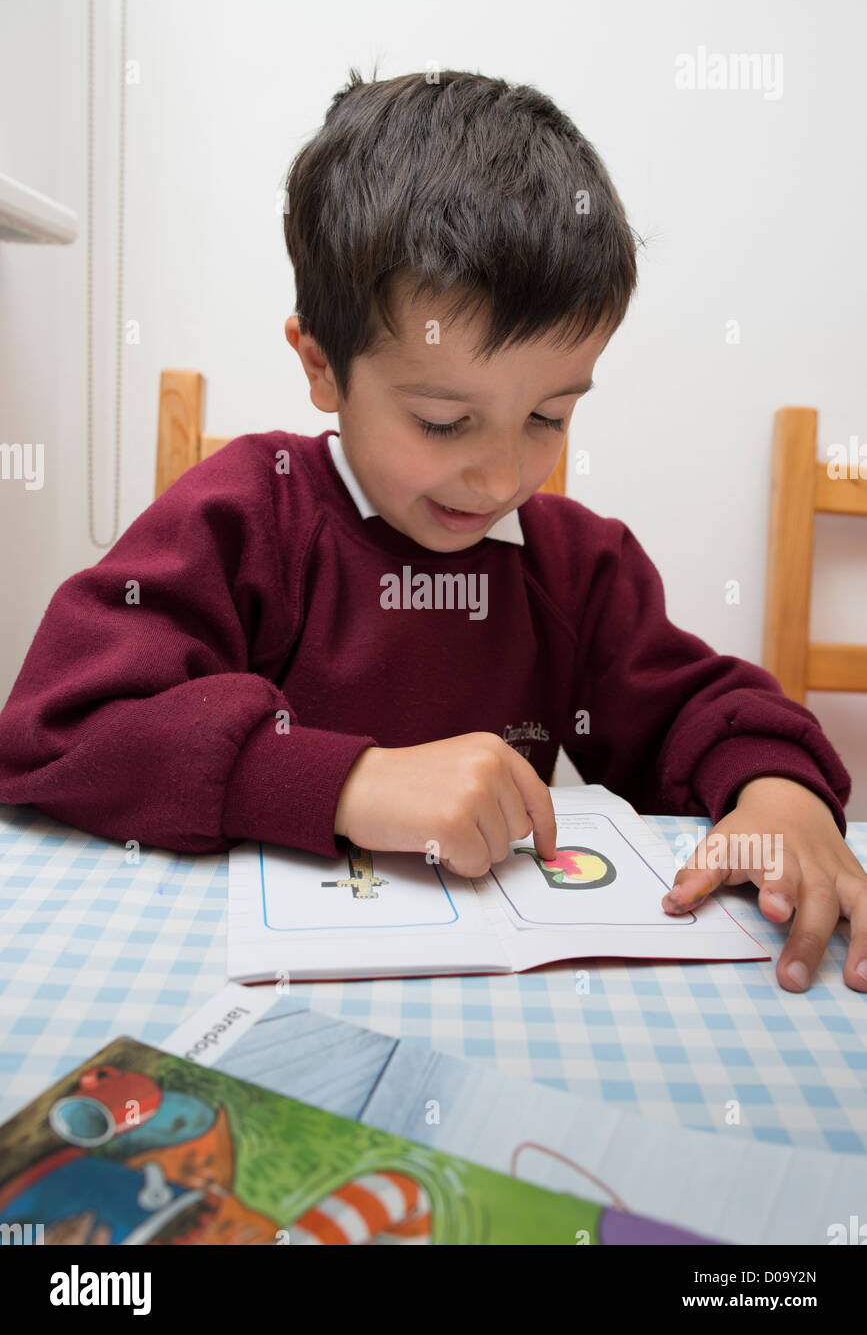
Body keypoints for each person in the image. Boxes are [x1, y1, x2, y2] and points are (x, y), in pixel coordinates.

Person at [0, 68, 863, 995]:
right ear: (323, 368)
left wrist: (775, 793)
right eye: (445, 423)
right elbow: (58, 734)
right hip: (244, 995)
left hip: (503, 1012)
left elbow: (703, 709)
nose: (501, 478)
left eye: (548, 417)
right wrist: (347, 784)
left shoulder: (575, 567)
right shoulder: (246, 514)